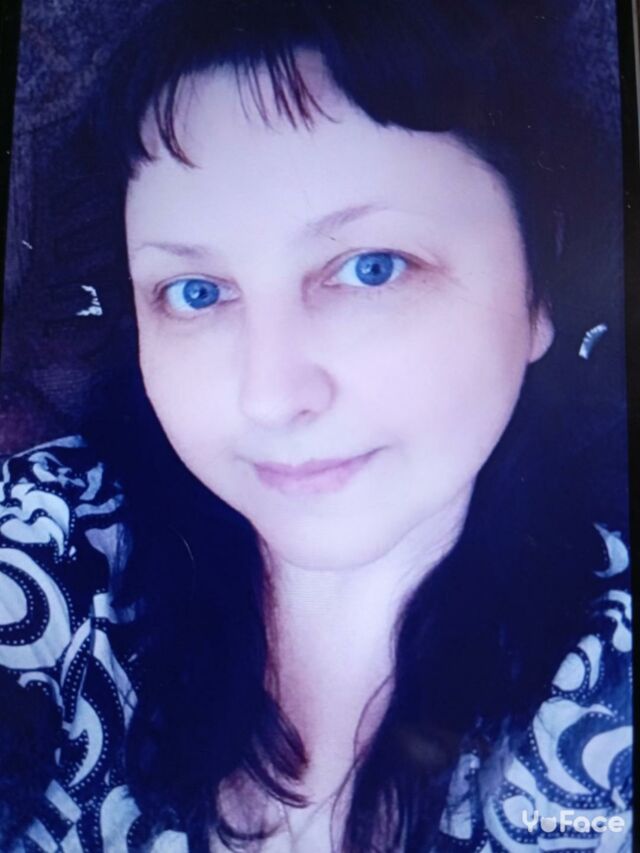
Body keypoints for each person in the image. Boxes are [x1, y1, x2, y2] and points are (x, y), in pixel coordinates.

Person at [0, 0, 632, 851]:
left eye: (371, 268)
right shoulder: (53, 546)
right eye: (195, 292)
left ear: (539, 284)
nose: (269, 396)